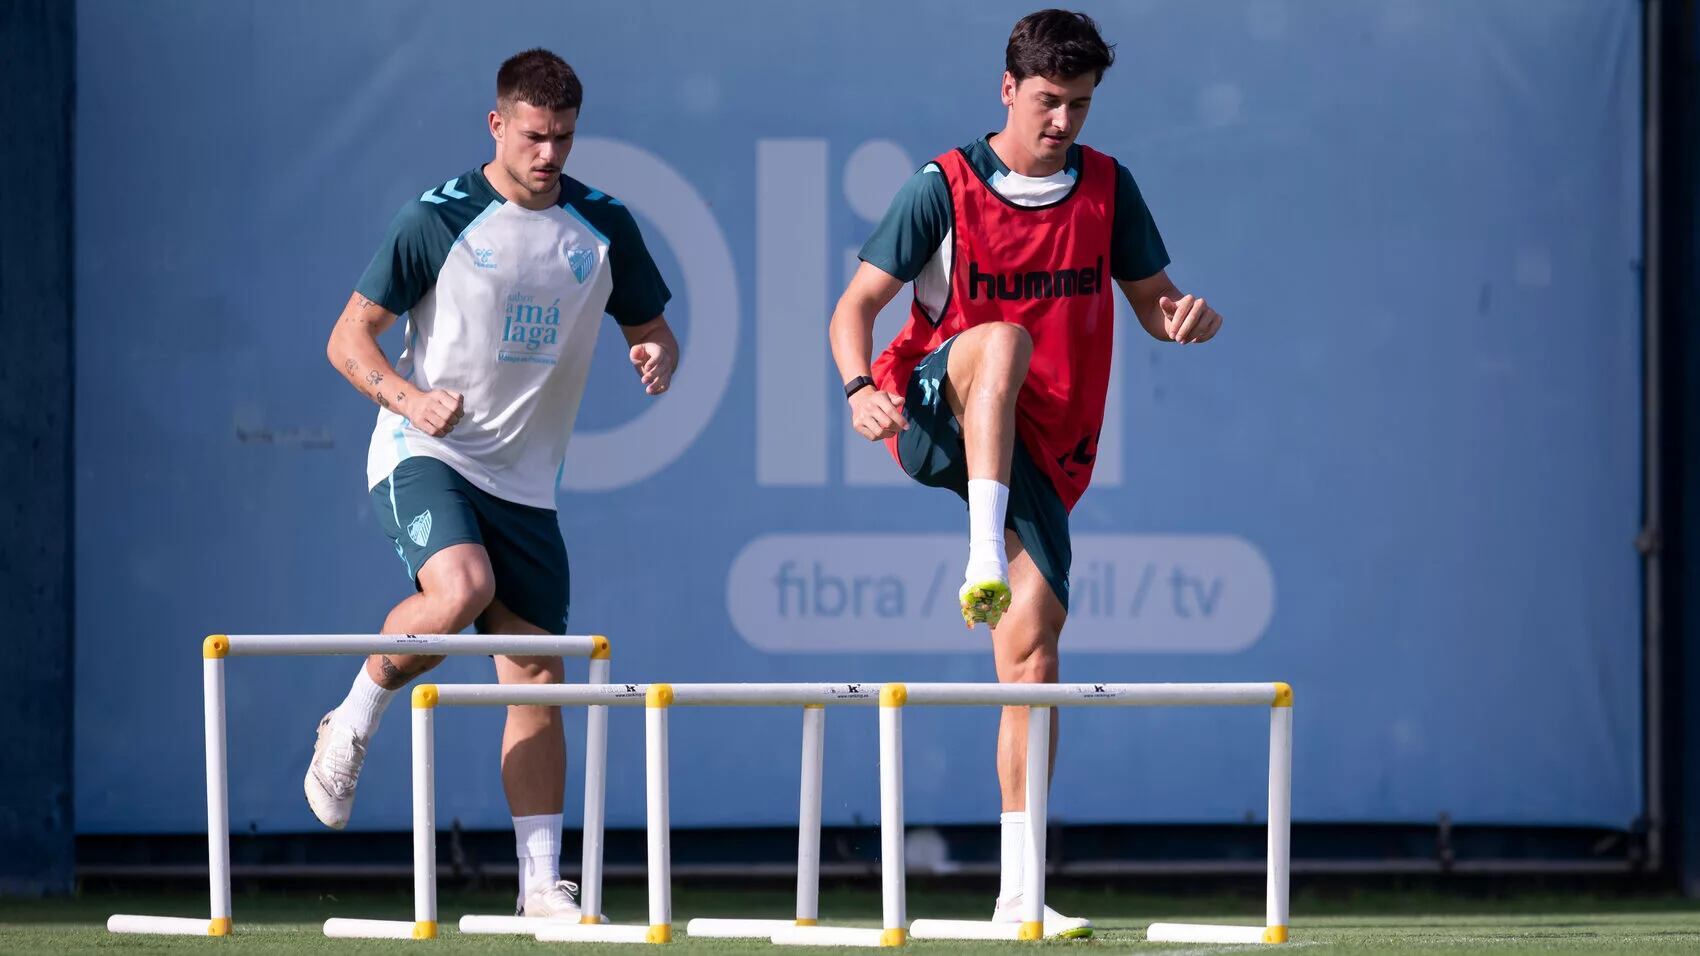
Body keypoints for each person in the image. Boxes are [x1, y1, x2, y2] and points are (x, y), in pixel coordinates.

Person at [828, 9, 1222, 938]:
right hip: (934, 407)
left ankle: (1016, 891)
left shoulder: (1110, 189)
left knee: (1035, 658)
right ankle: (980, 557)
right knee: (997, 340)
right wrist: (854, 387)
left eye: (1080, 105)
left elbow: (1156, 302)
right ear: (1009, 90)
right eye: (1048, 101)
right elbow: (854, 306)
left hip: (1049, 447)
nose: (1063, 123)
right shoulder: (944, 187)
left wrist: (1183, 319)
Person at [309, 48, 678, 921]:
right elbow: (348, 338)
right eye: (534, 137)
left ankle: (539, 884)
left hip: (526, 483)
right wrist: (410, 398)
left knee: (537, 675)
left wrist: (657, 353)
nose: (549, 156)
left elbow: (655, 326)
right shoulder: (438, 217)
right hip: (422, 451)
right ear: (497, 125)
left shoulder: (604, 223)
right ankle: (356, 712)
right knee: (461, 587)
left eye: (563, 139)